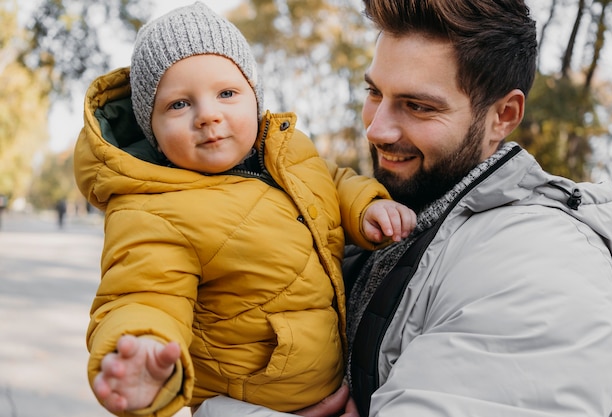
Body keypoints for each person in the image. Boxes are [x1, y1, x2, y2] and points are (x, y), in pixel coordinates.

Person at [194, 0, 612, 416]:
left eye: (418, 106)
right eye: (374, 92)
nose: (377, 128)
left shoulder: (543, 268)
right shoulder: (387, 223)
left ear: (504, 115)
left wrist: (202, 412)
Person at [73, 2, 417, 417]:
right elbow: (144, 293)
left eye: (227, 93)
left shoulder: (286, 152)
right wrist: (143, 347)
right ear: (154, 132)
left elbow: (332, 180)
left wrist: (366, 207)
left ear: (254, 98)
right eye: (179, 104)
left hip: (333, 382)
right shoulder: (153, 210)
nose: (208, 115)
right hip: (255, 403)